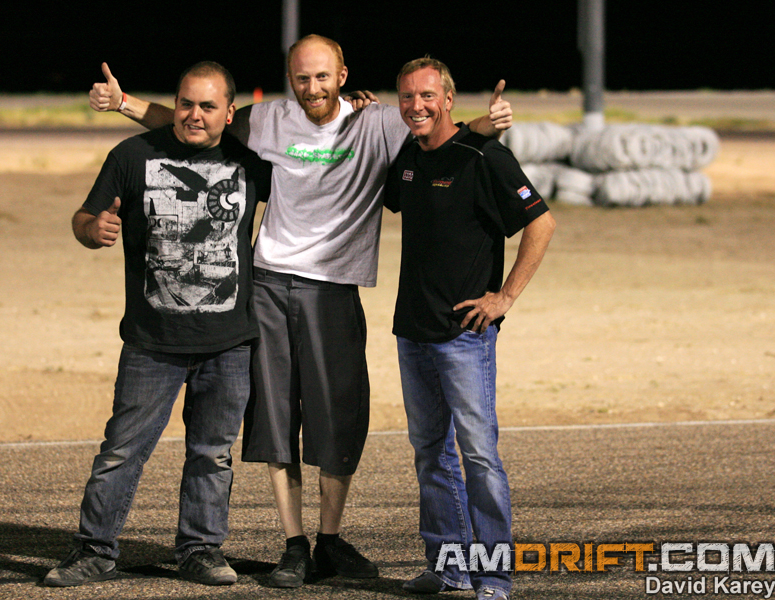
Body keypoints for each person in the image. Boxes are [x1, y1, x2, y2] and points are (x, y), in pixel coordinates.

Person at [88, 35, 513, 588]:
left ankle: (330, 541)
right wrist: (124, 103)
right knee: (276, 423)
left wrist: (488, 125)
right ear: (290, 78)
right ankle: (294, 545)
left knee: (338, 422)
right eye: (301, 77)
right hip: (268, 283)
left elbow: (439, 130)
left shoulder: (379, 122)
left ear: (342, 76)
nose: (311, 88)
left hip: (335, 288)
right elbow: (198, 121)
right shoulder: (269, 119)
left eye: (321, 76)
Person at [43, 62, 271, 588]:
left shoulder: (254, 162)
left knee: (212, 455)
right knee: (121, 451)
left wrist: (357, 109)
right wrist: (92, 229)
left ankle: (200, 550)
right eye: (186, 103)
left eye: (208, 106)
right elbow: (83, 217)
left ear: (229, 113)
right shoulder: (132, 156)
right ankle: (94, 550)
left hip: (229, 343)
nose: (194, 115)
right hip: (151, 342)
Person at [383, 58, 556, 600]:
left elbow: (542, 223)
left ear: (448, 99)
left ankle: (494, 576)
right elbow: (394, 192)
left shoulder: (487, 157)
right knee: (430, 452)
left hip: (464, 335)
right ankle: (448, 566)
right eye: (407, 96)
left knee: (479, 456)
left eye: (427, 95)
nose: (416, 105)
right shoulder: (410, 156)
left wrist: (504, 297)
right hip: (412, 330)